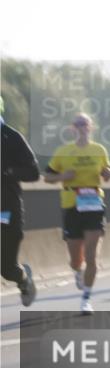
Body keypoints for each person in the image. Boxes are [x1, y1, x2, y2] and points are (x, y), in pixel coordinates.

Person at [43, 112, 110, 315]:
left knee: (92, 257)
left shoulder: (99, 150)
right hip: (71, 204)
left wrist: (108, 174)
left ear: (90, 127)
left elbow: (109, 172)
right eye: (78, 124)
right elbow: (47, 176)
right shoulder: (63, 151)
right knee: (76, 259)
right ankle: (78, 271)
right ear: (72, 128)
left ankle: (86, 299)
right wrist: (63, 176)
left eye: (85, 123)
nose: (82, 127)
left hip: (94, 203)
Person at [1, 98, 40, 306]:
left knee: (7, 269)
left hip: (7, 210)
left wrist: (9, 172)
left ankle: (23, 280)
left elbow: (34, 172)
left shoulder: (12, 137)